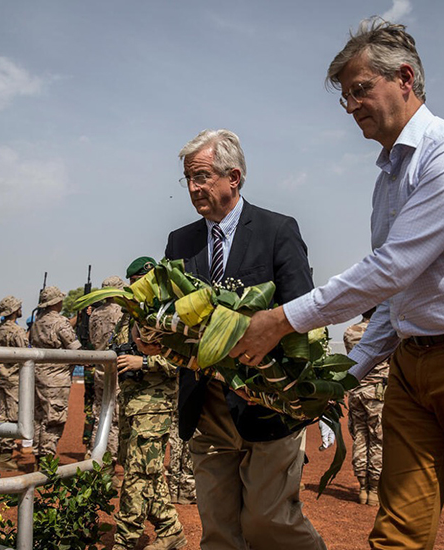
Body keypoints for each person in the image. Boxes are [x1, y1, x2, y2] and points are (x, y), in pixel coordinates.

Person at [229, 19, 444, 550]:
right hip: (413, 365)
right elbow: (395, 296)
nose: (351, 106)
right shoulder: (388, 179)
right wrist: (337, 382)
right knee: (397, 533)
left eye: (358, 90)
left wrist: (280, 320)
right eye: (345, 97)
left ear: (404, 77)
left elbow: (391, 269)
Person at [164, 129, 323, 550]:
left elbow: (302, 312)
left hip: (267, 403)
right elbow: (166, 312)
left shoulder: (277, 230)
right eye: (189, 179)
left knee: (271, 523)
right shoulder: (181, 241)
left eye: (201, 177)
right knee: (219, 530)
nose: (194, 188)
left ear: (232, 177)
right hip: (206, 405)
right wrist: (150, 333)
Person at [111, 257, 186, 550]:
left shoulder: (167, 313)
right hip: (130, 403)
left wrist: (143, 361)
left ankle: (125, 541)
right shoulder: (128, 315)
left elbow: (183, 361)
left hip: (154, 406)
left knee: (137, 476)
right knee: (146, 470)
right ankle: (170, 529)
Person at [28, 287, 80, 463]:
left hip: (37, 376)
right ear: (56, 302)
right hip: (56, 379)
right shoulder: (60, 322)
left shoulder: (36, 322)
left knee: (39, 418)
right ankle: (47, 462)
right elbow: (75, 348)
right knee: (54, 420)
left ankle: (38, 457)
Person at [343, 308, 388, 506]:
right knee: (378, 438)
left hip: (356, 390)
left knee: (360, 436)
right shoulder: (385, 331)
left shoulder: (349, 332)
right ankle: (375, 490)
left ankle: (362, 487)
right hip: (378, 392)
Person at [88, 275, 125, 461]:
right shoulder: (122, 312)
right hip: (118, 367)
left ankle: (96, 456)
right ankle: (108, 462)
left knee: (100, 413)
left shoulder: (95, 313)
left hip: (100, 366)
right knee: (115, 417)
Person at [0, 297, 28, 470]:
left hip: (2, 376)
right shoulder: (17, 331)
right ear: (14, 311)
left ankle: (0, 453)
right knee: (12, 416)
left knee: (1, 413)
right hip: (14, 378)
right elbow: (25, 354)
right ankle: (4, 457)